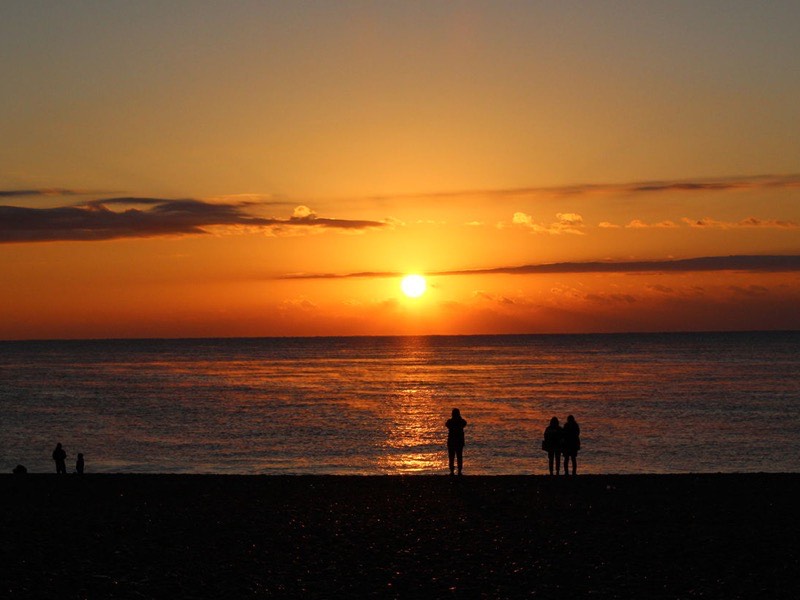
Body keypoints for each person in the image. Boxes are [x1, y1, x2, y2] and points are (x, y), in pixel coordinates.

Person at [445, 408, 467, 476]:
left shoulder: (450, 422)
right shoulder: (461, 421)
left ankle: (452, 471)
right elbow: (464, 423)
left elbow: (447, 425)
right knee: (459, 457)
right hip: (459, 442)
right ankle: (459, 471)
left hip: (452, 442)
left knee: (451, 457)